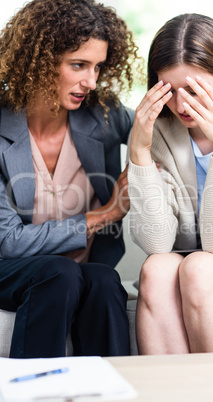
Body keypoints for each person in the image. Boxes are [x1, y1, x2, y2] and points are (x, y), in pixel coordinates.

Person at [0, 0, 140, 358]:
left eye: (97, 67)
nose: (91, 82)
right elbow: (9, 243)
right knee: (59, 272)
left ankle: (113, 393)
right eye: (78, 65)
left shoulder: (101, 115)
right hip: (10, 270)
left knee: (105, 280)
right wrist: (105, 215)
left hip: (79, 273)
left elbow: (159, 125)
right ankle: (32, 392)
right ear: (40, 60)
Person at [128, 13, 213, 354]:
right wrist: (140, 153)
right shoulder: (161, 132)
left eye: (193, 90)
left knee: (201, 269)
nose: (180, 105)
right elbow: (158, 243)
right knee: (158, 269)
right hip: (194, 256)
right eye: (169, 91)